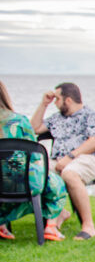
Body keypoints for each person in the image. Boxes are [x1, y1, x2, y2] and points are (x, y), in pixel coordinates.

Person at [29, 82, 95, 239]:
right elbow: (34, 129)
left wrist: (71, 156)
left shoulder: (92, 116)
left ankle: (88, 226)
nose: (54, 103)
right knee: (36, 171)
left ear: (68, 100)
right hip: (59, 161)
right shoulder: (56, 119)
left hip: (87, 159)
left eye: (57, 99)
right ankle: (59, 212)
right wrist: (43, 104)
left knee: (69, 173)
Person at [0, 80, 70, 241]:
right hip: (21, 181)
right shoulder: (19, 121)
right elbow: (35, 154)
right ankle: (51, 226)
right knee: (55, 184)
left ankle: (2, 223)